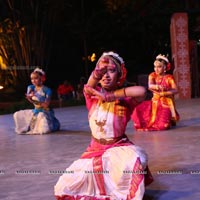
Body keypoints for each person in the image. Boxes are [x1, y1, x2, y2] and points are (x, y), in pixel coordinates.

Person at [54, 51, 153, 199]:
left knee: (132, 162)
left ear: (120, 76)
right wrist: (97, 72)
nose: (106, 75)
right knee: (66, 185)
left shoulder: (125, 101)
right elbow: (89, 86)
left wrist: (109, 96)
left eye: (111, 71)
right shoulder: (92, 97)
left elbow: (142, 91)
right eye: (102, 72)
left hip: (118, 147)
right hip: (95, 150)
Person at [131, 54, 180, 131]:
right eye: (155, 67)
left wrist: (163, 94)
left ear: (165, 68)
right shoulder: (152, 75)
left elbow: (176, 90)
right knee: (137, 109)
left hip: (165, 103)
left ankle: (169, 119)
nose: (156, 69)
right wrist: (157, 87)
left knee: (163, 126)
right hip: (155, 102)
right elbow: (150, 86)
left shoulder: (169, 77)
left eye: (159, 67)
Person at [13, 68, 60, 134]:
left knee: (41, 119)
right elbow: (31, 101)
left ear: (42, 78)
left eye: (36, 78)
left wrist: (36, 96)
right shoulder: (30, 87)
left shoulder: (47, 90)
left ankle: (53, 123)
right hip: (35, 110)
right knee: (17, 114)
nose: (33, 81)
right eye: (31, 79)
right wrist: (30, 98)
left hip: (45, 111)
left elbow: (46, 105)